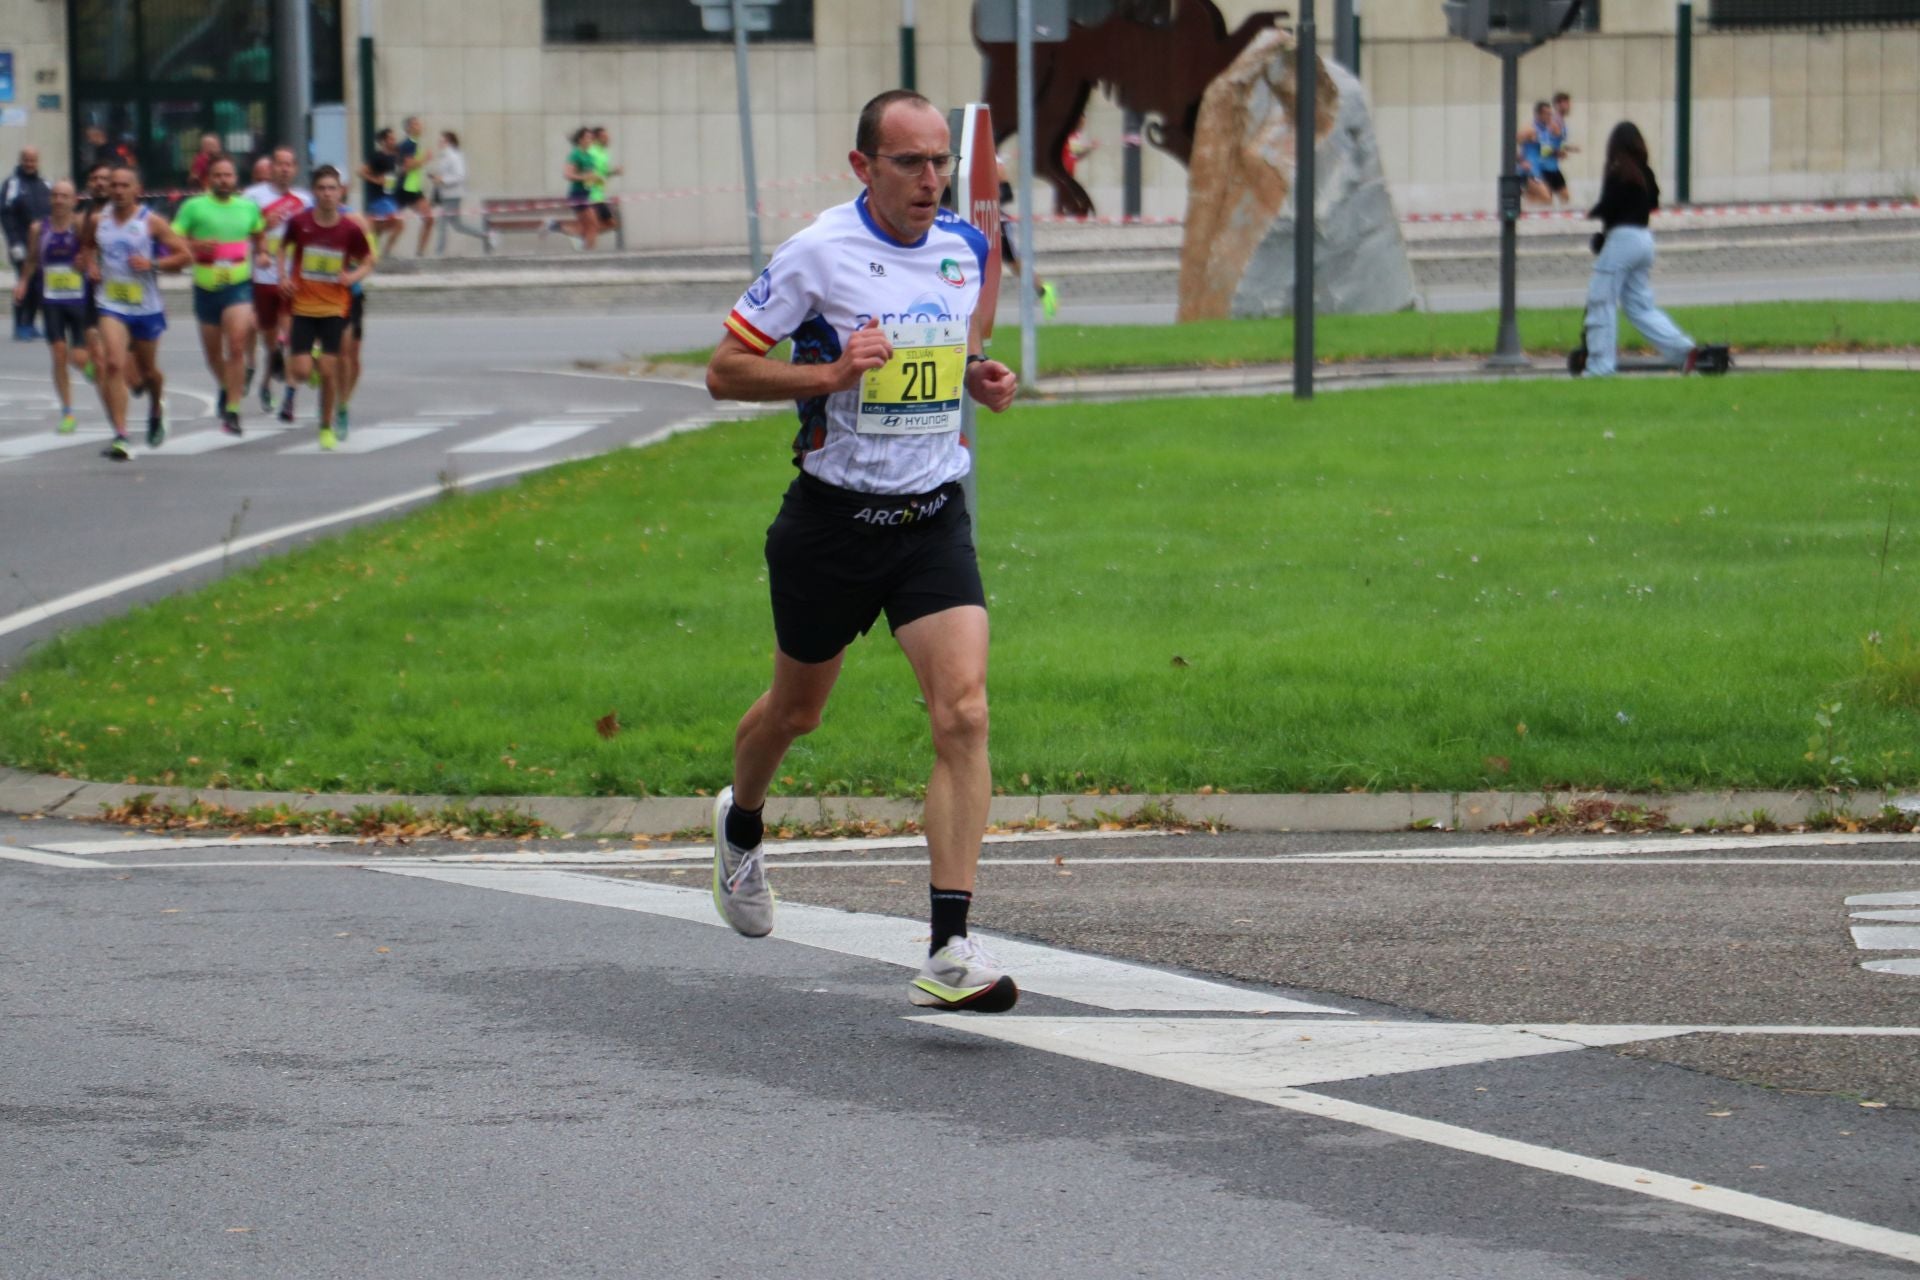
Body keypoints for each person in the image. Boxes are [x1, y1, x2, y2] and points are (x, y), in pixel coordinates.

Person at [703, 89, 1020, 1013]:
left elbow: (948, 353)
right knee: (796, 715)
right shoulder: (818, 253)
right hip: (831, 525)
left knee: (962, 714)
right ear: (863, 168)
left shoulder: (963, 248)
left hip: (930, 518)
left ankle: (951, 946)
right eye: (909, 164)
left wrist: (980, 378)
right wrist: (830, 372)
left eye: (939, 165)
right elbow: (725, 370)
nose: (930, 182)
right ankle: (742, 822)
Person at [1581, 121, 1703, 378]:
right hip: (1644, 240)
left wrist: (1595, 214)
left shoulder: (1617, 171)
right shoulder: (1643, 172)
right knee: (1639, 305)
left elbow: (1611, 205)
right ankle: (1683, 349)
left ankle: (1600, 366)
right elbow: (1653, 201)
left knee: (1600, 299)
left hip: (1622, 240)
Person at [85, 164, 190, 459]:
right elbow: (87, 246)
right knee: (114, 364)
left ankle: (157, 405)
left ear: (137, 190)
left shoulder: (151, 221)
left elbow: (185, 256)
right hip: (111, 304)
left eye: (124, 185)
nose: (117, 190)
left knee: (148, 375)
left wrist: (153, 265)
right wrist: (91, 264)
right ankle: (121, 435)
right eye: (114, 185)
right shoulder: (98, 220)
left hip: (146, 307)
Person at [278, 166, 375, 450]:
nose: (327, 194)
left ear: (340, 191)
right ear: (314, 192)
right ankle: (316, 365)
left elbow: (368, 260)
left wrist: (352, 277)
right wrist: (283, 276)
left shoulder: (350, 228)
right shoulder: (300, 223)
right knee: (301, 371)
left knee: (334, 368)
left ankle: (326, 426)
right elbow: (283, 247)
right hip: (304, 306)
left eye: (332, 188)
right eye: (321, 188)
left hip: (335, 306)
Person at [172, 154, 266, 434]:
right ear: (207, 179)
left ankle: (234, 410)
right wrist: (195, 244)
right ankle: (227, 386)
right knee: (213, 354)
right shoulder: (193, 207)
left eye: (228, 175)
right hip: (205, 287)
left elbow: (258, 234)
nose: (224, 180)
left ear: (236, 179)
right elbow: (173, 238)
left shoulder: (248, 207)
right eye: (218, 176)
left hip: (238, 286)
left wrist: (261, 253)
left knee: (236, 345)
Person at [13, 180, 97, 433]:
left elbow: (93, 252)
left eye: (64, 196)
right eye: (55, 195)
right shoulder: (39, 228)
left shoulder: (80, 225)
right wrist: (24, 282)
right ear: (51, 200)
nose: (59, 200)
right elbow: (31, 259)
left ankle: (91, 366)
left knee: (79, 357)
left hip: (79, 299)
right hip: (51, 300)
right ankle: (68, 412)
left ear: (74, 201)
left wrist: (89, 264)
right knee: (59, 352)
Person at [243, 146, 313, 417]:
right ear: (271, 167)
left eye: (289, 164)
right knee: (271, 343)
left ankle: (290, 399)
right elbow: (240, 233)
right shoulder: (252, 197)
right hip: (262, 277)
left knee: (291, 340)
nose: (284, 169)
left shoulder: (304, 200)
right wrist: (262, 225)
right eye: (280, 164)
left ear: (295, 169)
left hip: (294, 279)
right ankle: (265, 382)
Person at [994, 153, 1057, 319]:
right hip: (974, 221)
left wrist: (985, 195)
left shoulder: (992, 159)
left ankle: (1044, 291)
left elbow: (1007, 194)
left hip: (997, 222)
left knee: (1015, 264)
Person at [3, 147, 53, 340]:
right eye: (26, 160)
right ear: (21, 160)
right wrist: (14, 242)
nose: (30, 164)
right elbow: (6, 215)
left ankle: (31, 323)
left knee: (38, 285)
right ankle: (20, 324)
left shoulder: (45, 184)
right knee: (25, 282)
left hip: (42, 244)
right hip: (21, 244)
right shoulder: (12, 184)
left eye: (33, 160)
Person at [428, 131, 495, 254]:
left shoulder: (454, 156)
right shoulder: (445, 156)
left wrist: (442, 179)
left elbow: (460, 176)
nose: (439, 143)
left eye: (442, 141)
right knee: (457, 225)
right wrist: (437, 178)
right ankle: (486, 235)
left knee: (442, 224)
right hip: (446, 195)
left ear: (449, 142)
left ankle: (438, 253)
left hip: (453, 195)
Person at [359, 128, 404, 255]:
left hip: (390, 196)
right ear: (383, 141)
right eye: (390, 139)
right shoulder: (378, 157)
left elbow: (395, 173)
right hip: (379, 197)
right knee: (399, 224)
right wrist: (376, 180)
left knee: (379, 228)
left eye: (394, 138)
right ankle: (385, 253)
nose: (393, 141)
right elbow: (361, 172)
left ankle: (373, 251)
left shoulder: (396, 156)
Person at [397, 116, 433, 256]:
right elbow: (408, 166)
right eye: (416, 124)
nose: (420, 126)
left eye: (419, 123)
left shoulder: (414, 143)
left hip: (413, 188)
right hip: (404, 188)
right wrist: (425, 159)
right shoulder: (409, 144)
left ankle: (420, 253)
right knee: (387, 223)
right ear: (408, 128)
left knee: (429, 219)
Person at [588, 125, 621, 241]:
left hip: (599, 195)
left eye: (608, 136)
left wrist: (613, 172)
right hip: (591, 195)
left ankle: (585, 236)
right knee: (610, 223)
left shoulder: (604, 153)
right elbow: (587, 171)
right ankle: (584, 237)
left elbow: (603, 172)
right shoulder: (592, 152)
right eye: (604, 136)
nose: (607, 138)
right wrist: (596, 178)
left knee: (611, 224)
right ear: (596, 138)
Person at [1517, 103, 1553, 206]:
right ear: (1538, 115)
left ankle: (1520, 194)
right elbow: (1510, 143)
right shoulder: (1530, 129)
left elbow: (1545, 150)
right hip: (1528, 172)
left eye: (1551, 114)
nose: (1550, 116)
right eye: (1547, 114)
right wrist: (1522, 161)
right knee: (1547, 199)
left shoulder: (1546, 130)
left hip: (1538, 171)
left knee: (1534, 203)